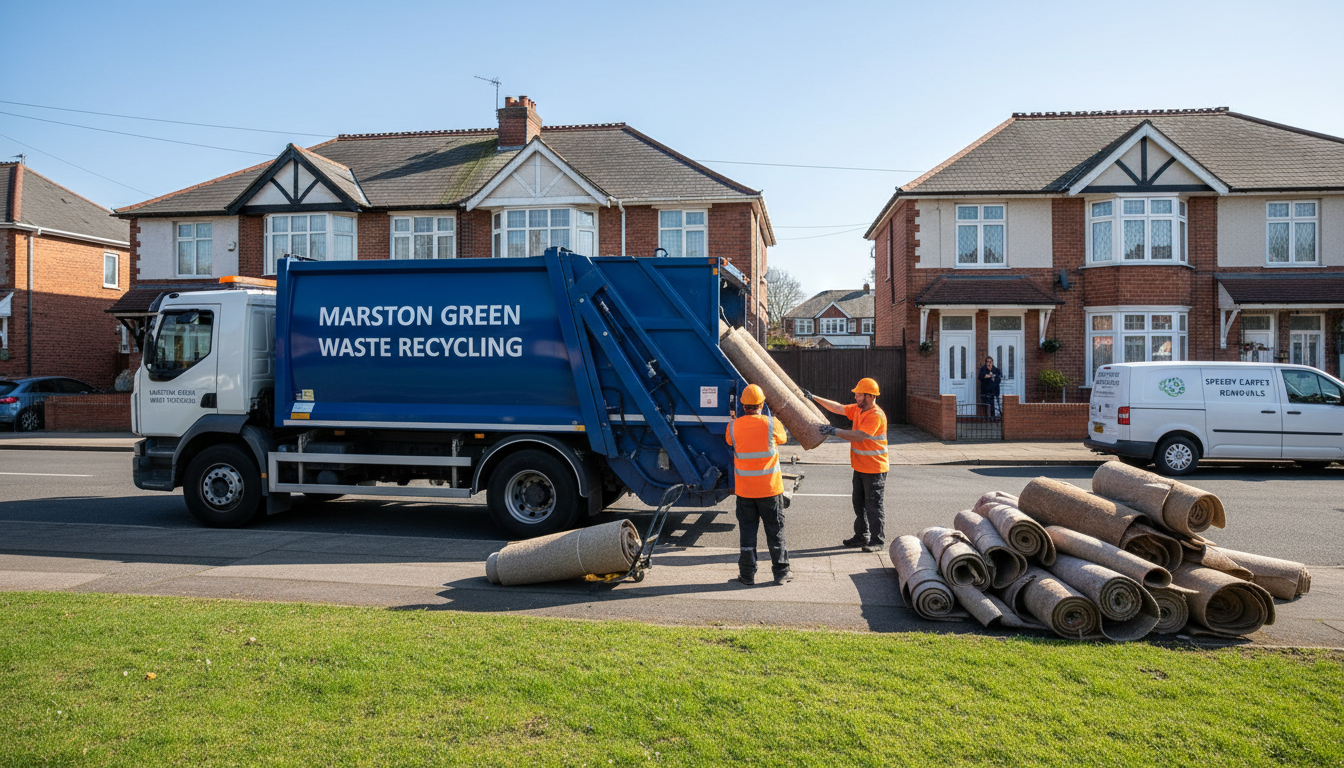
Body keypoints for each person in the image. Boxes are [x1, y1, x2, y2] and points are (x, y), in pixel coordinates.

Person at [804, 378, 888, 553]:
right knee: (859, 504)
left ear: (870, 396)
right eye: (856, 394)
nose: (856, 397)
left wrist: (835, 431)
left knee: (873, 506)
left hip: (874, 469)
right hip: (860, 467)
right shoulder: (858, 409)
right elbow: (838, 407)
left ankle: (877, 540)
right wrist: (814, 398)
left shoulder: (875, 415)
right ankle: (861, 536)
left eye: (859, 395)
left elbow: (859, 436)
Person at [725, 384, 792, 585]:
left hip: (745, 492)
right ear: (762, 404)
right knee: (775, 532)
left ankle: (747, 575)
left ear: (742, 405)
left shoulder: (733, 426)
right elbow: (784, 439)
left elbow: (730, 442)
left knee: (747, 534)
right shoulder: (772, 424)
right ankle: (781, 573)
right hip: (770, 491)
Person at [978, 356, 1002, 420]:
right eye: (988, 362)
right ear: (986, 362)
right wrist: (990, 375)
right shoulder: (983, 369)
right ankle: (986, 418)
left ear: (992, 362)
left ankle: (993, 417)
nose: (989, 363)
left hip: (993, 391)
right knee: (985, 405)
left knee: (993, 404)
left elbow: (999, 378)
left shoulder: (996, 370)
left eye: (990, 362)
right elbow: (981, 377)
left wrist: (988, 376)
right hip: (985, 390)